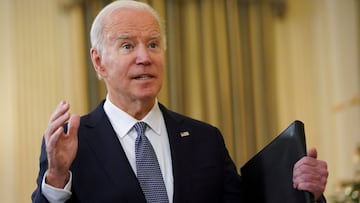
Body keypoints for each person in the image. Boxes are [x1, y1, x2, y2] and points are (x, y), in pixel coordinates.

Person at [32, 0, 328, 202]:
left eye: (153, 44)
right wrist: (57, 176)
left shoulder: (205, 139)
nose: (144, 57)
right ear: (99, 62)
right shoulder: (69, 143)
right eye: (127, 45)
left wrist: (301, 192)